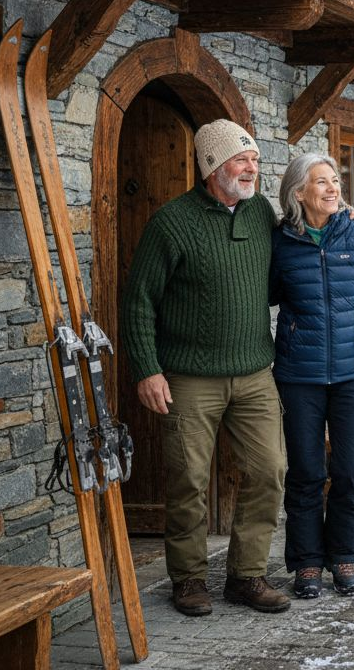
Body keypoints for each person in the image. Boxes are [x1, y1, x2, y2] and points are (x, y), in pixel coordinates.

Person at [120, 119, 291, 616]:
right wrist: (147, 369)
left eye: (255, 160)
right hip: (189, 377)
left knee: (270, 470)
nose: (252, 169)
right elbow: (138, 303)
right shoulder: (171, 222)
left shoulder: (260, 212)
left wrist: (344, 222)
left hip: (256, 372)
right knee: (188, 478)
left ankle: (246, 576)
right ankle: (190, 579)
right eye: (242, 160)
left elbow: (295, 255)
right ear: (213, 165)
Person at [270, 152, 354, 598]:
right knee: (305, 471)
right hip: (299, 376)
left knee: (351, 472)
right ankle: (306, 563)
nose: (333, 189)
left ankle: (343, 557)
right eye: (321, 182)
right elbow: (262, 295)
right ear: (298, 191)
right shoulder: (280, 241)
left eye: (335, 181)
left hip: (352, 375)